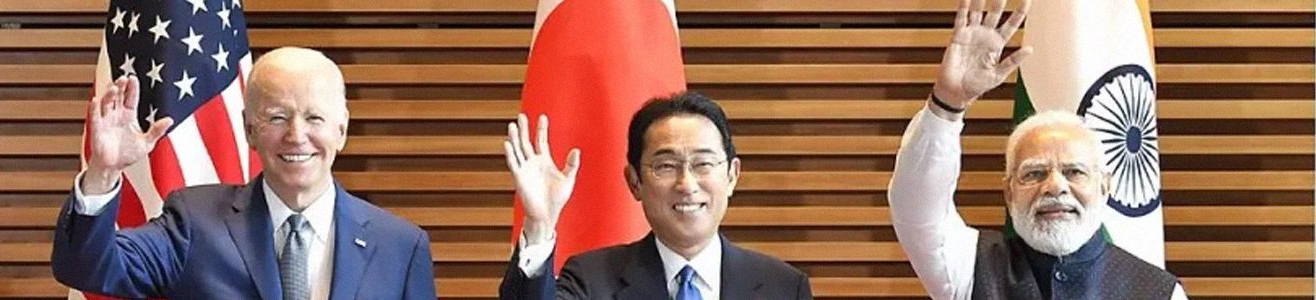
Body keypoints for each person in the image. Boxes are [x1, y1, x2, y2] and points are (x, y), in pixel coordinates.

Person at [52, 47, 437, 300]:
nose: (296, 136)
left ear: (342, 129)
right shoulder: (194, 224)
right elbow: (87, 268)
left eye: (314, 118)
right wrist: (102, 173)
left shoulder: (400, 247)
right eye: (277, 117)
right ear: (250, 129)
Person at [888, 0, 1186, 298]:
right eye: (1034, 173)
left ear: (1105, 186)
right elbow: (916, 208)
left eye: (1074, 171)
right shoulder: (972, 266)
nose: (1055, 186)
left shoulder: (1159, 291)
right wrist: (947, 102)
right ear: (1009, 192)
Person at [498, 92, 811, 299]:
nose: (687, 183)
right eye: (666, 165)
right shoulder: (592, 281)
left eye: (703, 163)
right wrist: (539, 224)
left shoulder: (782, 287)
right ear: (634, 181)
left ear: (731, 176)